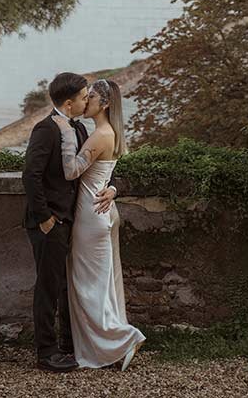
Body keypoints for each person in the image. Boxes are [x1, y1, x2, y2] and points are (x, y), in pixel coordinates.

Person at [21, 72, 117, 373]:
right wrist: (45, 218)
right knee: (49, 287)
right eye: (84, 95)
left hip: (71, 220)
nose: (87, 99)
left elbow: (102, 169)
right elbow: (31, 176)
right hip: (50, 222)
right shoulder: (46, 129)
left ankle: (68, 344)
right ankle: (46, 353)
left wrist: (114, 189)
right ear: (69, 101)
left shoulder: (77, 129)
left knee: (65, 286)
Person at [52, 78, 146, 371]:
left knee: (86, 285)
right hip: (102, 211)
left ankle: (123, 338)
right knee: (103, 284)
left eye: (89, 97)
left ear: (103, 104)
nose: (85, 101)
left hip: (91, 215)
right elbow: (105, 175)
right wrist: (114, 189)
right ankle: (108, 346)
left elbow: (71, 172)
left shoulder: (100, 135)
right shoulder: (111, 133)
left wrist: (65, 133)